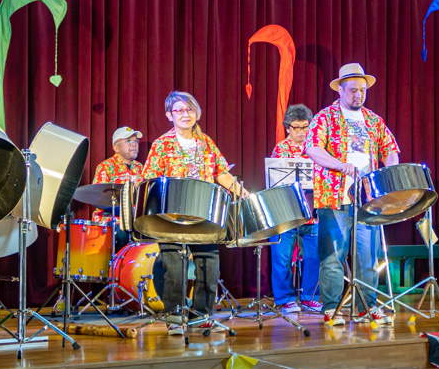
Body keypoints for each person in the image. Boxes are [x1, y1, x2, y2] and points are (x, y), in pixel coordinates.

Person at [140, 91, 247, 335]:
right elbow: (149, 179)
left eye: (189, 109)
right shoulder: (161, 145)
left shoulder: (206, 142)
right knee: (174, 267)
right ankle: (175, 316)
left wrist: (244, 194)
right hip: (170, 217)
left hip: (203, 216)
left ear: (196, 113)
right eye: (179, 110)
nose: (185, 114)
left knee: (209, 266)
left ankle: (202, 314)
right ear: (169, 115)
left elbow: (221, 172)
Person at [306, 63, 400, 326]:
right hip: (334, 197)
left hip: (367, 199)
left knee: (368, 258)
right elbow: (313, 148)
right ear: (341, 91)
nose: (358, 95)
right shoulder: (324, 117)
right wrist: (339, 165)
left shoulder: (374, 120)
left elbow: (390, 149)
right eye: (353, 90)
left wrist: (390, 172)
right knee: (333, 256)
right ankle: (331, 309)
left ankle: (365, 307)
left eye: (362, 90)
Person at [269, 104, 321, 314]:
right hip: (286, 214)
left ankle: (310, 297)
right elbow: (275, 182)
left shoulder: (317, 148)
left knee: (314, 257)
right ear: (288, 128)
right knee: (281, 258)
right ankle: (285, 299)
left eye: (305, 127)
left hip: (312, 214)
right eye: (296, 127)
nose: (301, 132)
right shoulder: (281, 150)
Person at [91, 126, 144, 250]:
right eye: (128, 141)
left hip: (135, 221)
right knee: (121, 235)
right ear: (116, 148)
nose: (134, 144)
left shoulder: (140, 167)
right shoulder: (105, 167)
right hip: (112, 221)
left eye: (136, 141)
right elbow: (98, 198)